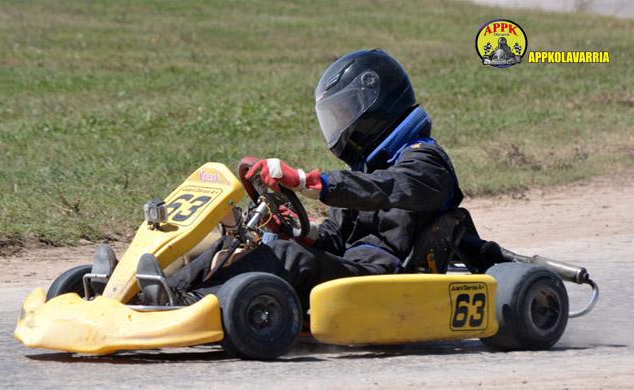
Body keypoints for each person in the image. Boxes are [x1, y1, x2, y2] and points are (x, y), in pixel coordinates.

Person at [138, 49, 463, 309]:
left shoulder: (425, 162)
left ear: (378, 105)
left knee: (289, 258)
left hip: (384, 281)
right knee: (245, 241)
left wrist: (308, 181)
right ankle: (159, 293)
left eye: (348, 112)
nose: (342, 123)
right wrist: (289, 230)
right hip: (351, 270)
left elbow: (384, 189)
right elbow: (333, 239)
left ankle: (197, 303)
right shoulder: (365, 169)